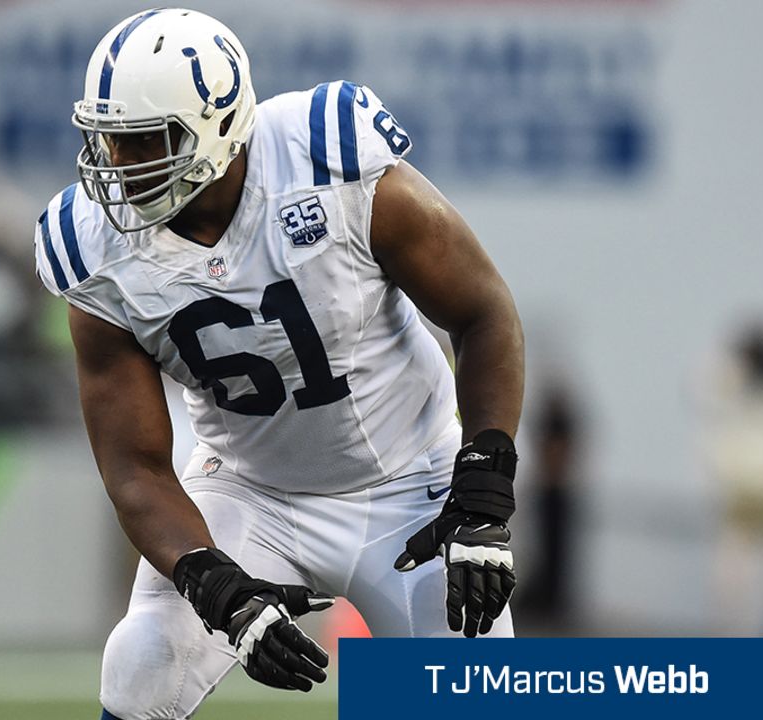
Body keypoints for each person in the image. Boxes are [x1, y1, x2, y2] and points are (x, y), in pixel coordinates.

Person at [34, 9, 524, 719]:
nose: (119, 163)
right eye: (110, 140)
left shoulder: (330, 162)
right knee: (141, 665)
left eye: (144, 141)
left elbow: (484, 314)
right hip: (250, 492)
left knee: (475, 695)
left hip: (413, 483)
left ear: (215, 127)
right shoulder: (94, 251)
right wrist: (216, 587)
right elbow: (134, 466)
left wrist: (484, 488)